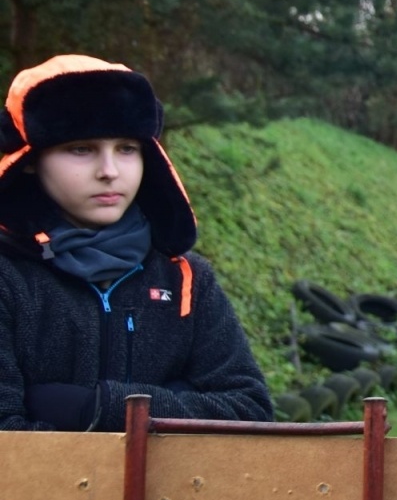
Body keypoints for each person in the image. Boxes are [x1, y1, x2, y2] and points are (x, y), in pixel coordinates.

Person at [0, 54, 271, 431]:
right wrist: (179, 404)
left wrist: (93, 409)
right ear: (30, 160)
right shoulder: (8, 278)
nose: (109, 171)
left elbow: (250, 412)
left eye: (127, 148)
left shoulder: (187, 280)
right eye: (81, 149)